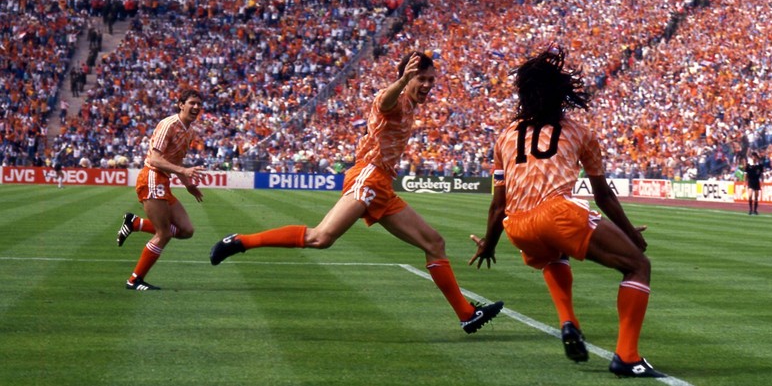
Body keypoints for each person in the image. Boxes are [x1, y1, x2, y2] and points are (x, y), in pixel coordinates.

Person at [209, 51, 503, 333]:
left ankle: (466, 314)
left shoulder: (412, 105)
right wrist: (401, 82)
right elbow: (385, 102)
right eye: (420, 79)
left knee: (435, 243)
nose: (426, 85)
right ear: (406, 78)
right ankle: (240, 241)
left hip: (382, 184)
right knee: (321, 237)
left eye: (430, 80)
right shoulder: (395, 100)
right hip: (369, 175)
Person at [468, 47, 665, 378]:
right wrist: (631, 235)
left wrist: (489, 243)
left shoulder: (505, 136)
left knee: (553, 256)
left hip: (517, 225)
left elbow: (498, 204)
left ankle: (568, 322)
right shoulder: (578, 131)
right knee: (637, 267)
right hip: (559, 213)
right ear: (562, 93)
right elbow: (602, 195)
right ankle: (627, 358)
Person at [116, 89, 205, 290]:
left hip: (162, 180)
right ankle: (134, 280)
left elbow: (175, 161)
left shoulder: (189, 131)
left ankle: (135, 223)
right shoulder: (169, 125)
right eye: (192, 103)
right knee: (163, 234)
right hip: (152, 177)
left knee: (186, 230)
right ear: (181, 104)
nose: (196, 107)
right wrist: (183, 170)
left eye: (199, 104)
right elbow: (156, 159)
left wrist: (188, 184)